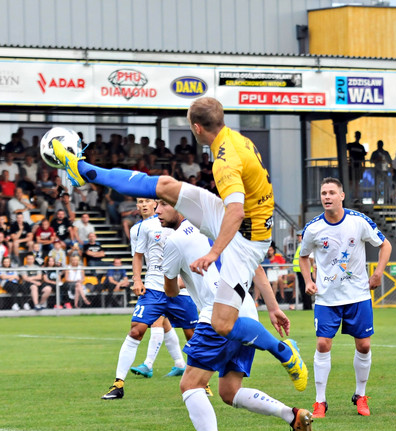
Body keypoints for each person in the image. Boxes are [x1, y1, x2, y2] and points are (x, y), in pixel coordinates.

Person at [51, 96, 308, 390]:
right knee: (163, 186)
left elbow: (236, 212)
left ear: (196, 128)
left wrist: (213, 252)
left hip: (247, 238)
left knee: (222, 323)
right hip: (235, 217)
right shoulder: (234, 139)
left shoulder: (225, 162)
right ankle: (84, 169)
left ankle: (284, 351)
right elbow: (234, 208)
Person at [154, 199, 314, 431]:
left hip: (217, 317)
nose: (157, 211)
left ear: (180, 207)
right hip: (247, 313)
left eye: (163, 205)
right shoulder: (220, 228)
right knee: (229, 392)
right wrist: (273, 307)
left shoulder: (174, 241)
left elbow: (170, 291)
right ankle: (293, 416)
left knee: (190, 385)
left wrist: (174, 275)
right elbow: (256, 267)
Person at [299, 178, 392, 418]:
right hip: (327, 298)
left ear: (342, 196)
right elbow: (303, 256)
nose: (326, 197)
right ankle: (320, 401)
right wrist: (309, 281)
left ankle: (361, 395)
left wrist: (379, 272)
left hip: (358, 295)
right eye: (323, 193)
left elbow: (385, 245)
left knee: (364, 345)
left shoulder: (358, 221)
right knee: (322, 344)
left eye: (331, 192)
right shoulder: (313, 228)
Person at [103, 197, 198, 399]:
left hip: (181, 290)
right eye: (140, 201)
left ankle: (200, 382)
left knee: (193, 336)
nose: (144, 204)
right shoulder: (142, 228)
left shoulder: (186, 224)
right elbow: (137, 255)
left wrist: (187, 279)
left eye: (148, 201)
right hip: (154, 288)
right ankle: (118, 383)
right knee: (136, 330)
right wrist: (137, 280)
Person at [346, 131, 367, 198]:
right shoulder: (350, 145)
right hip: (351, 166)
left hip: (358, 166)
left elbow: (363, 158)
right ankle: (348, 197)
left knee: (357, 183)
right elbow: (343, 148)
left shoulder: (361, 147)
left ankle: (356, 196)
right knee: (350, 182)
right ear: (355, 136)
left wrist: (364, 166)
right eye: (357, 135)